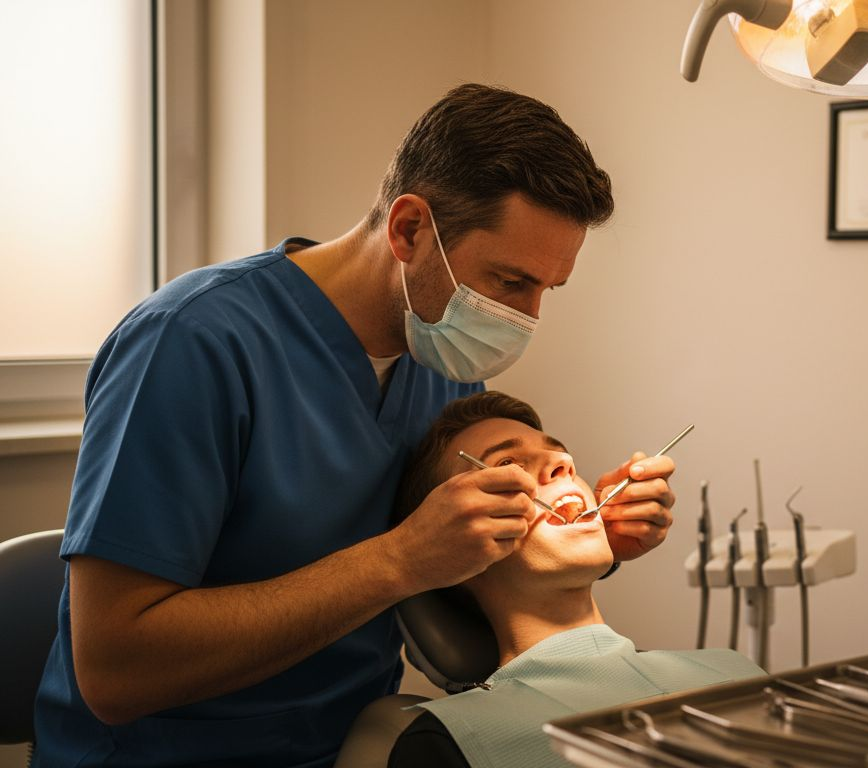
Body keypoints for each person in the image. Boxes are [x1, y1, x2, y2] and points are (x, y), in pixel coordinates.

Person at [34, 84, 678, 768]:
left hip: (361, 747)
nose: (527, 318)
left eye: (548, 289)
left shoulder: (446, 360)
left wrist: (587, 534)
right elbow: (114, 670)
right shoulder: (191, 344)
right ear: (408, 230)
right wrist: (398, 559)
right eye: (510, 282)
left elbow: (453, 585)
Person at [378, 392, 763, 767]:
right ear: (451, 549)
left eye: (559, 453)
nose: (563, 461)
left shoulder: (735, 675)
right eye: (508, 463)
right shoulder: (452, 743)